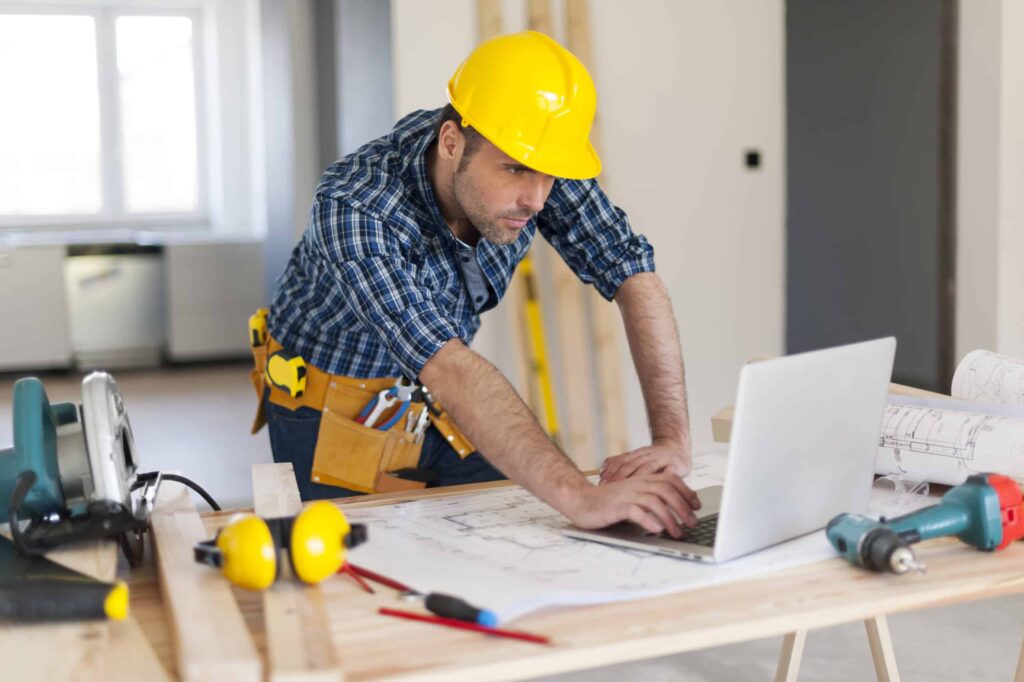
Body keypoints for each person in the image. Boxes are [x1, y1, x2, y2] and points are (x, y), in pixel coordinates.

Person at [251, 30, 699, 538]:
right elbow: (447, 364)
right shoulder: (356, 207)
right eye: (514, 171)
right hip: (329, 406)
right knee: (360, 572)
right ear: (451, 142)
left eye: (548, 177)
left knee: (518, 539)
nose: (536, 199)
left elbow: (633, 273)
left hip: (431, 397)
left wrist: (672, 441)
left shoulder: (532, 155)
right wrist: (580, 494)